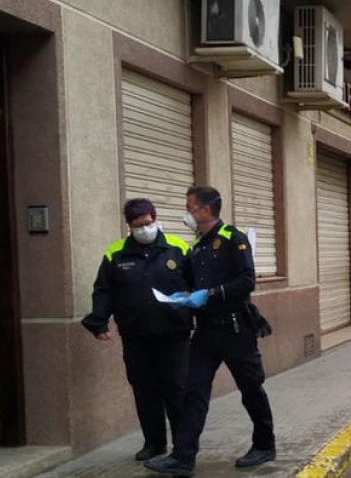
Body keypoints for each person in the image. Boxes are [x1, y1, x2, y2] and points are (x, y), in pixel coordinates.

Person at [146, 186, 276, 475]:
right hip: (205, 332)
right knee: (192, 392)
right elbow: (191, 282)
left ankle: (265, 445)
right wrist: (184, 296)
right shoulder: (199, 245)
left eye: (190, 207)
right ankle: (183, 457)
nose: (187, 213)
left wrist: (210, 294)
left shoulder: (233, 238)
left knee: (250, 387)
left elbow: (247, 282)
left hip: (235, 329)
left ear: (205, 210)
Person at [82, 198, 193, 462]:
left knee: (176, 389)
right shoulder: (115, 254)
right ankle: (154, 444)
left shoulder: (178, 248)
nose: (145, 228)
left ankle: (183, 446)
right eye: (139, 225)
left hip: (174, 333)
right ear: (129, 226)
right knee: (145, 390)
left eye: (149, 222)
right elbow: (104, 291)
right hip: (136, 335)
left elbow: (196, 282)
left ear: (155, 219)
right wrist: (99, 322)